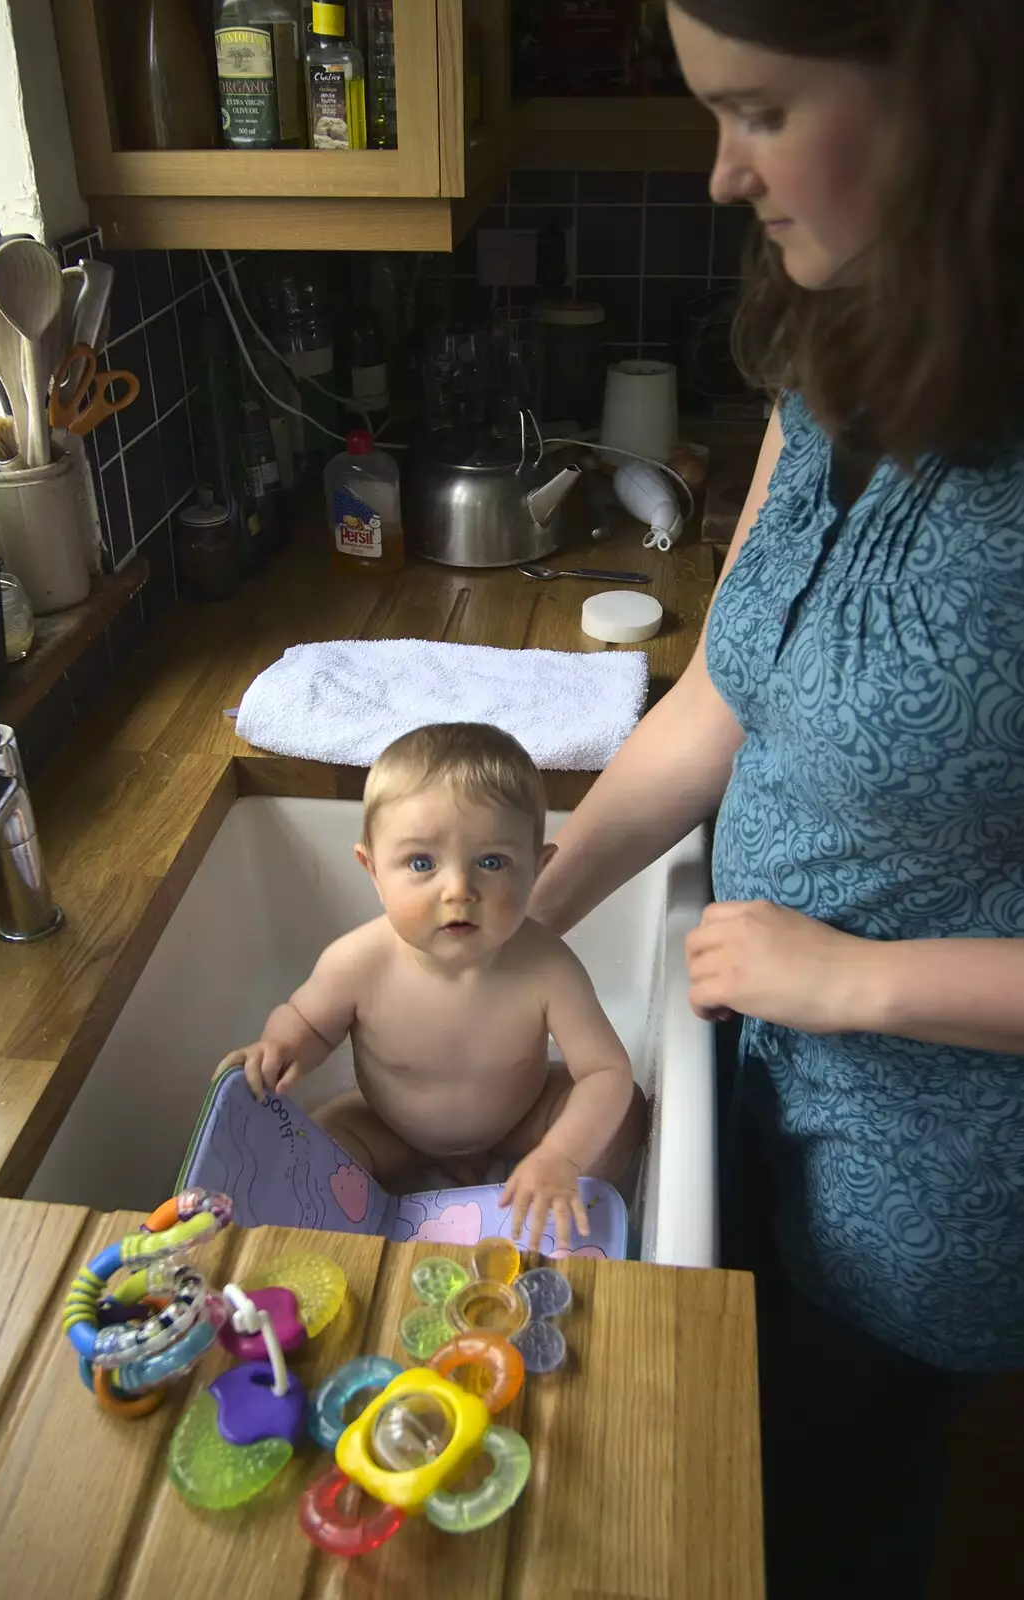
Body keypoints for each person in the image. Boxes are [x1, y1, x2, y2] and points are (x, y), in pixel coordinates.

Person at [528, 3, 1024, 1595]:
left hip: (937, 1213)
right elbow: (719, 699)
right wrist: (521, 912)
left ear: (957, 97)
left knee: (823, 1529)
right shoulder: (845, 347)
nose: (723, 175)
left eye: (756, 111)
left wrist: (853, 981)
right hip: (754, 1105)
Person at [219, 722, 646, 1250]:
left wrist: (562, 1153)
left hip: (518, 1118)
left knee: (624, 1111)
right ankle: (368, 1221)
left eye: (492, 862)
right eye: (421, 863)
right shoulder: (358, 962)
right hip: (388, 1129)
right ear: (373, 871)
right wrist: (280, 1047)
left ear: (538, 869)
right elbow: (306, 1020)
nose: (459, 890)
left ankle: (544, 1190)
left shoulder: (547, 969)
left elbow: (605, 1070)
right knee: (314, 1146)